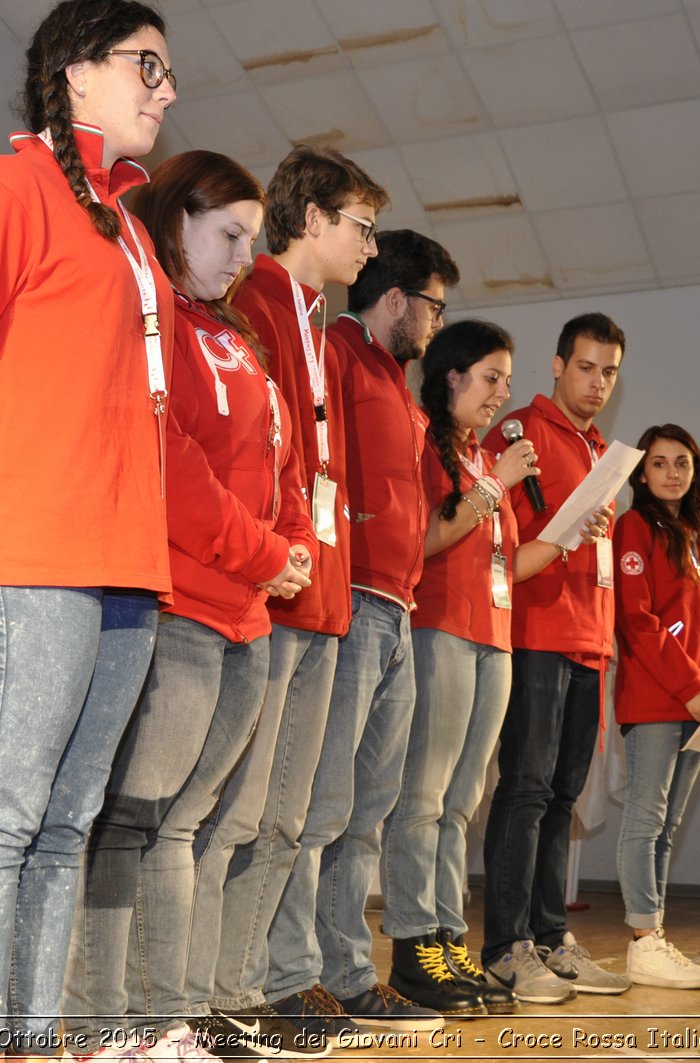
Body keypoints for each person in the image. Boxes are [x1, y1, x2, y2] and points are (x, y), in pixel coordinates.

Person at [0, 2, 176, 1056]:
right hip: (25, 548)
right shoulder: (4, 187)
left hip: (121, 565)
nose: (164, 87)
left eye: (167, 71)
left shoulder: (130, 228)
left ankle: (33, 1038)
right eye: (145, 64)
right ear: (73, 73)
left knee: (64, 828)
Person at [62, 151, 315, 1060]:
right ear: (177, 222)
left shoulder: (238, 333)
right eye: (229, 235)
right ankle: (101, 1027)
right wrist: (261, 550)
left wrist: (295, 548)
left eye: (252, 238)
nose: (244, 255)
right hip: (179, 605)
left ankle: (163, 1022)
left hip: (248, 611)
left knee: (183, 824)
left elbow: (285, 462)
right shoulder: (155, 319)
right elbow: (172, 461)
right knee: (130, 820)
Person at [204, 145, 388, 1053]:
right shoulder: (260, 302)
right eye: (361, 225)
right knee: (238, 816)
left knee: (288, 816)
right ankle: (216, 993)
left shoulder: (316, 319)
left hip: (321, 600)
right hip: (271, 595)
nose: (370, 244)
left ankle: (254, 988)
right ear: (311, 219)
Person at [272, 230, 470, 1031]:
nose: (436, 322)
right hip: (348, 600)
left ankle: (349, 972)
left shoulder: (394, 379)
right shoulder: (339, 354)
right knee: (321, 804)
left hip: (396, 606)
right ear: (398, 299)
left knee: (368, 806)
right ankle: (295, 973)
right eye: (434, 305)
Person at [379, 319, 565, 1017]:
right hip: (439, 630)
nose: (502, 395)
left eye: (508, 382)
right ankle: (412, 939)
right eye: (491, 378)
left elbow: (500, 562)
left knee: (461, 803)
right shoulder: (426, 443)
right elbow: (423, 538)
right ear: (452, 375)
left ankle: (449, 935)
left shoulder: (483, 453)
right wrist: (493, 488)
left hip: (494, 636)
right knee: (422, 797)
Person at [479, 313, 632, 1005]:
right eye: (586, 367)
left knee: (563, 797)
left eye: (609, 371)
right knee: (527, 789)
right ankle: (507, 945)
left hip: (589, 640)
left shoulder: (600, 447)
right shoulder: (520, 435)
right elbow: (492, 542)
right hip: (536, 635)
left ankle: (548, 937)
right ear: (558, 365)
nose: (597, 382)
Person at [613, 424, 700, 990]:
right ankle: (644, 939)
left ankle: (655, 938)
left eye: (681, 463)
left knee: (667, 825)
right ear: (642, 474)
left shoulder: (695, 533)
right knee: (645, 821)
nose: (671, 472)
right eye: (660, 463)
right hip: (657, 699)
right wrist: (691, 683)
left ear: (695, 472)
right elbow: (637, 621)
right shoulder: (633, 527)